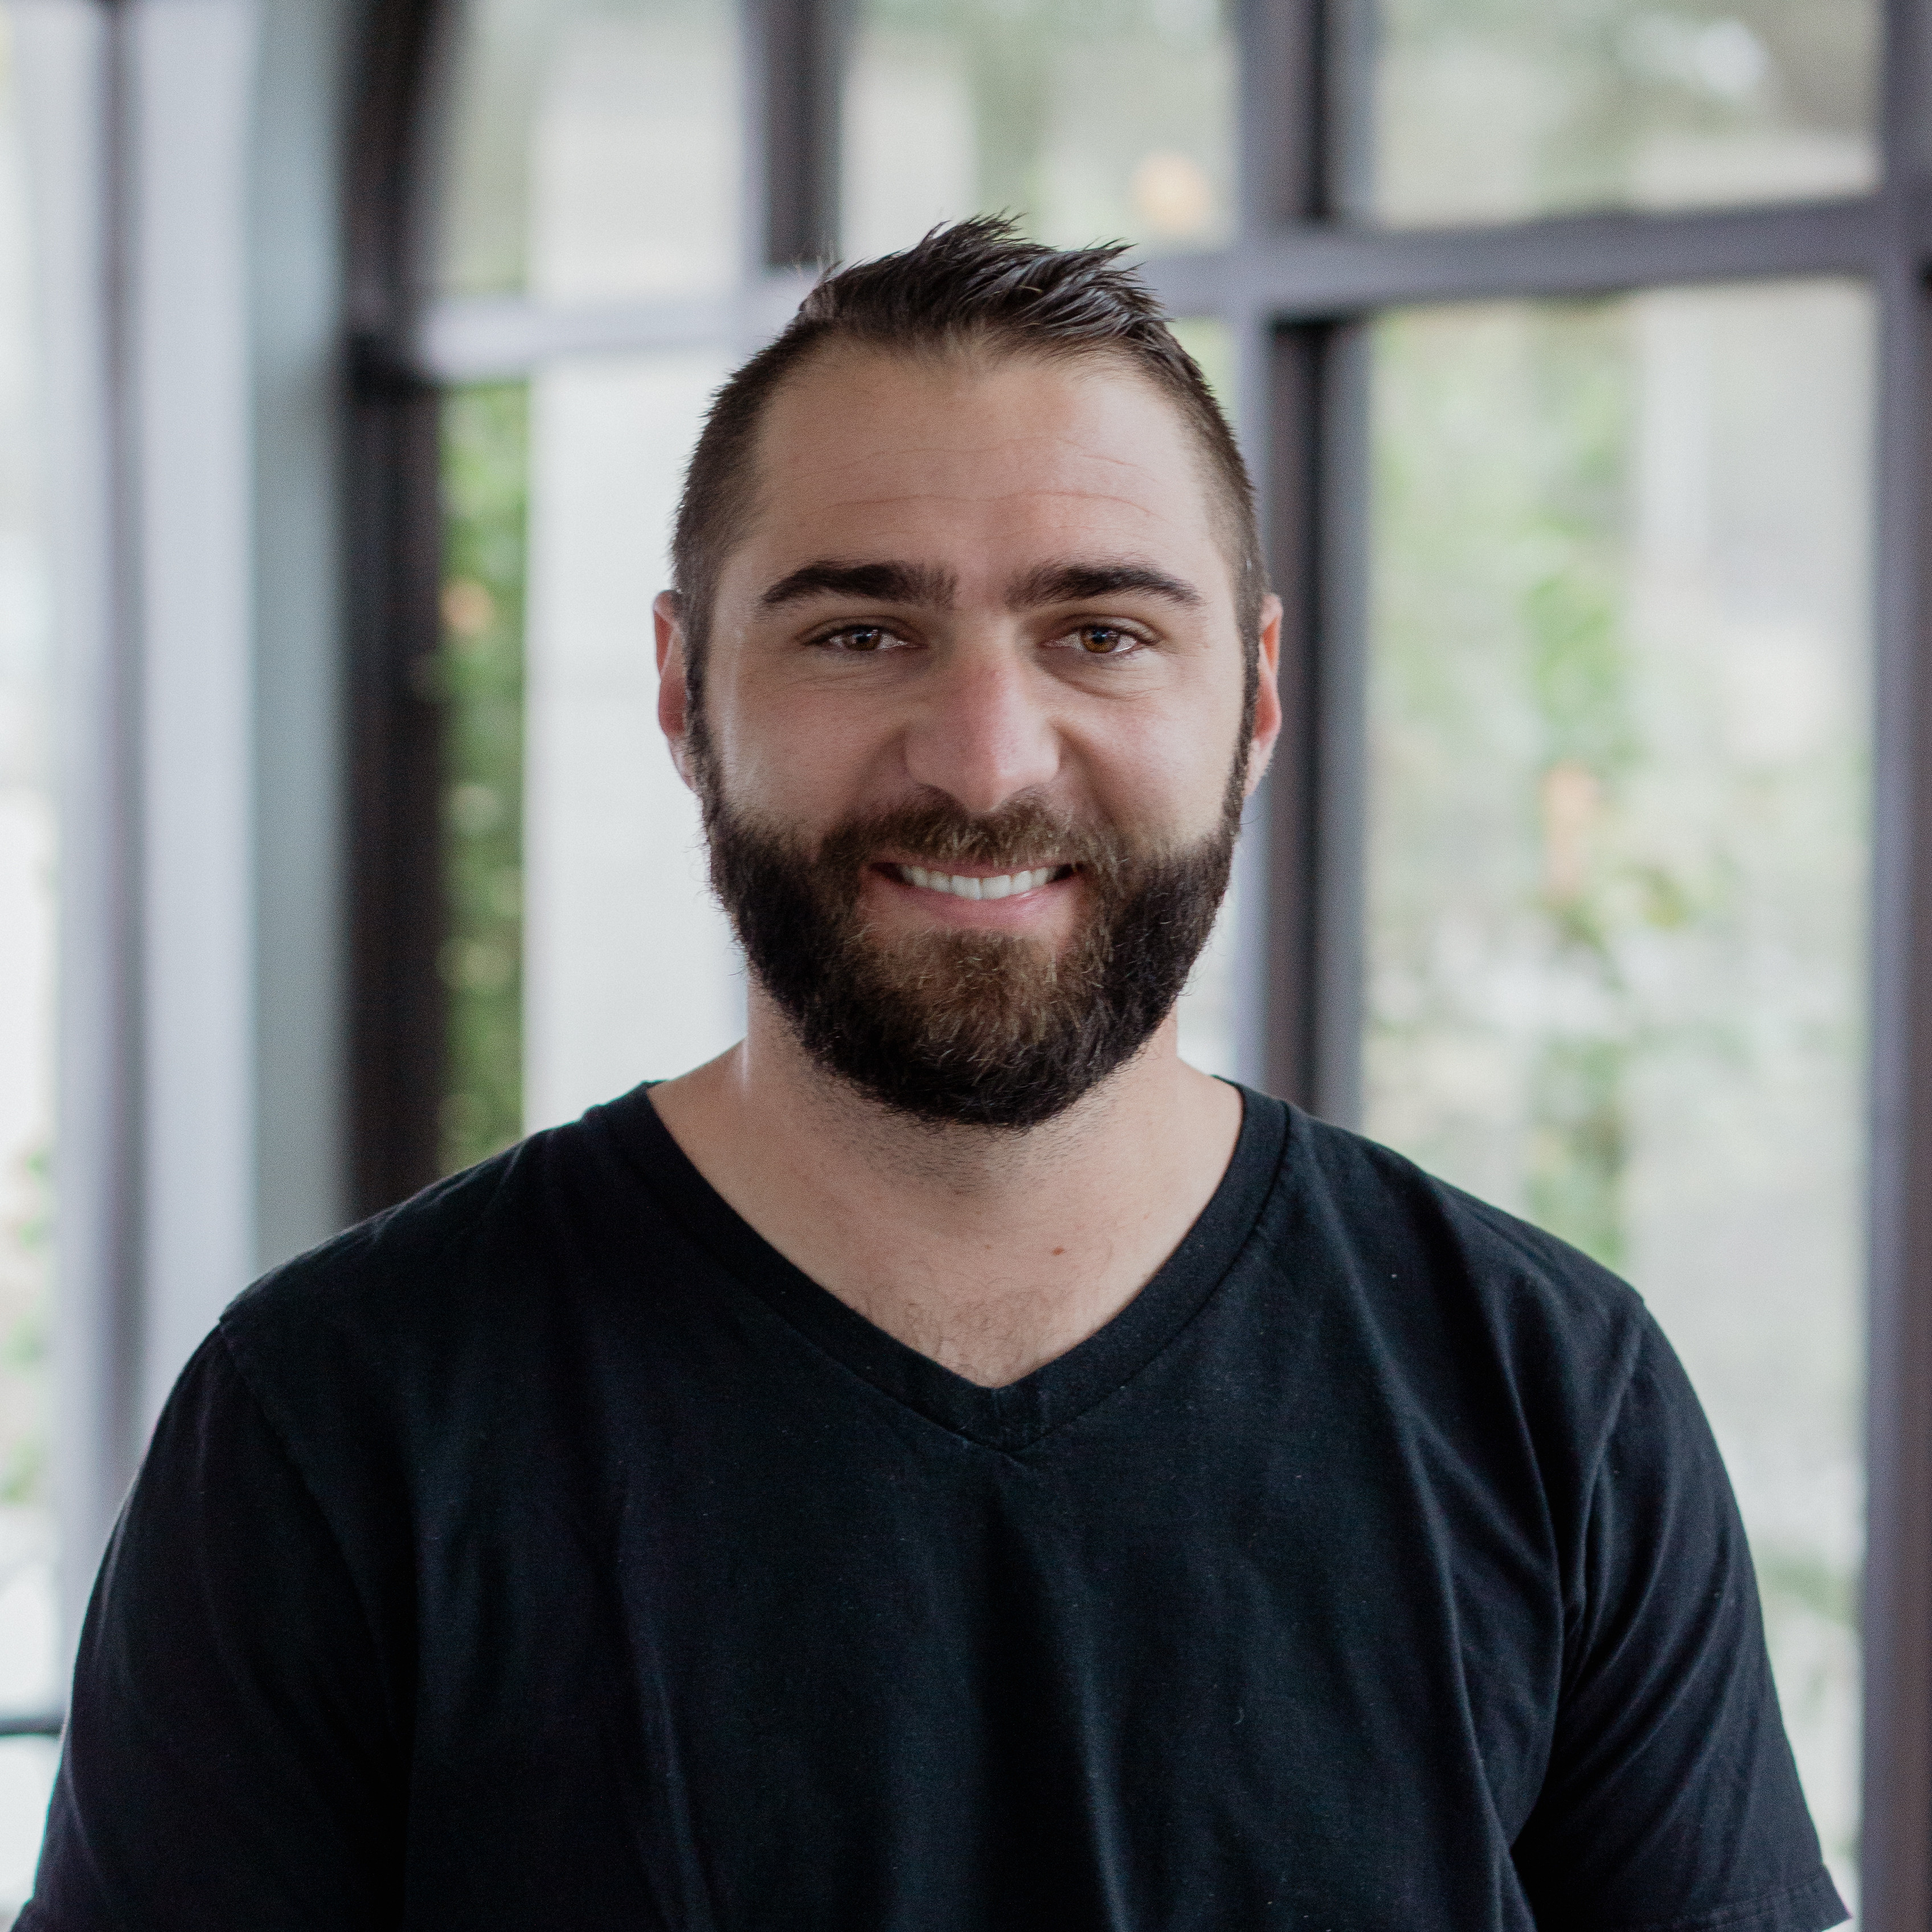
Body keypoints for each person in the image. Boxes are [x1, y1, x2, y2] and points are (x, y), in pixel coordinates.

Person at [23, 218, 1842, 1932]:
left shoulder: (1548, 1397)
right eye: (861, 633)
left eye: (1101, 633)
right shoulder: (339, 1417)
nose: (985, 759)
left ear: (1256, 697)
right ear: (682, 691)